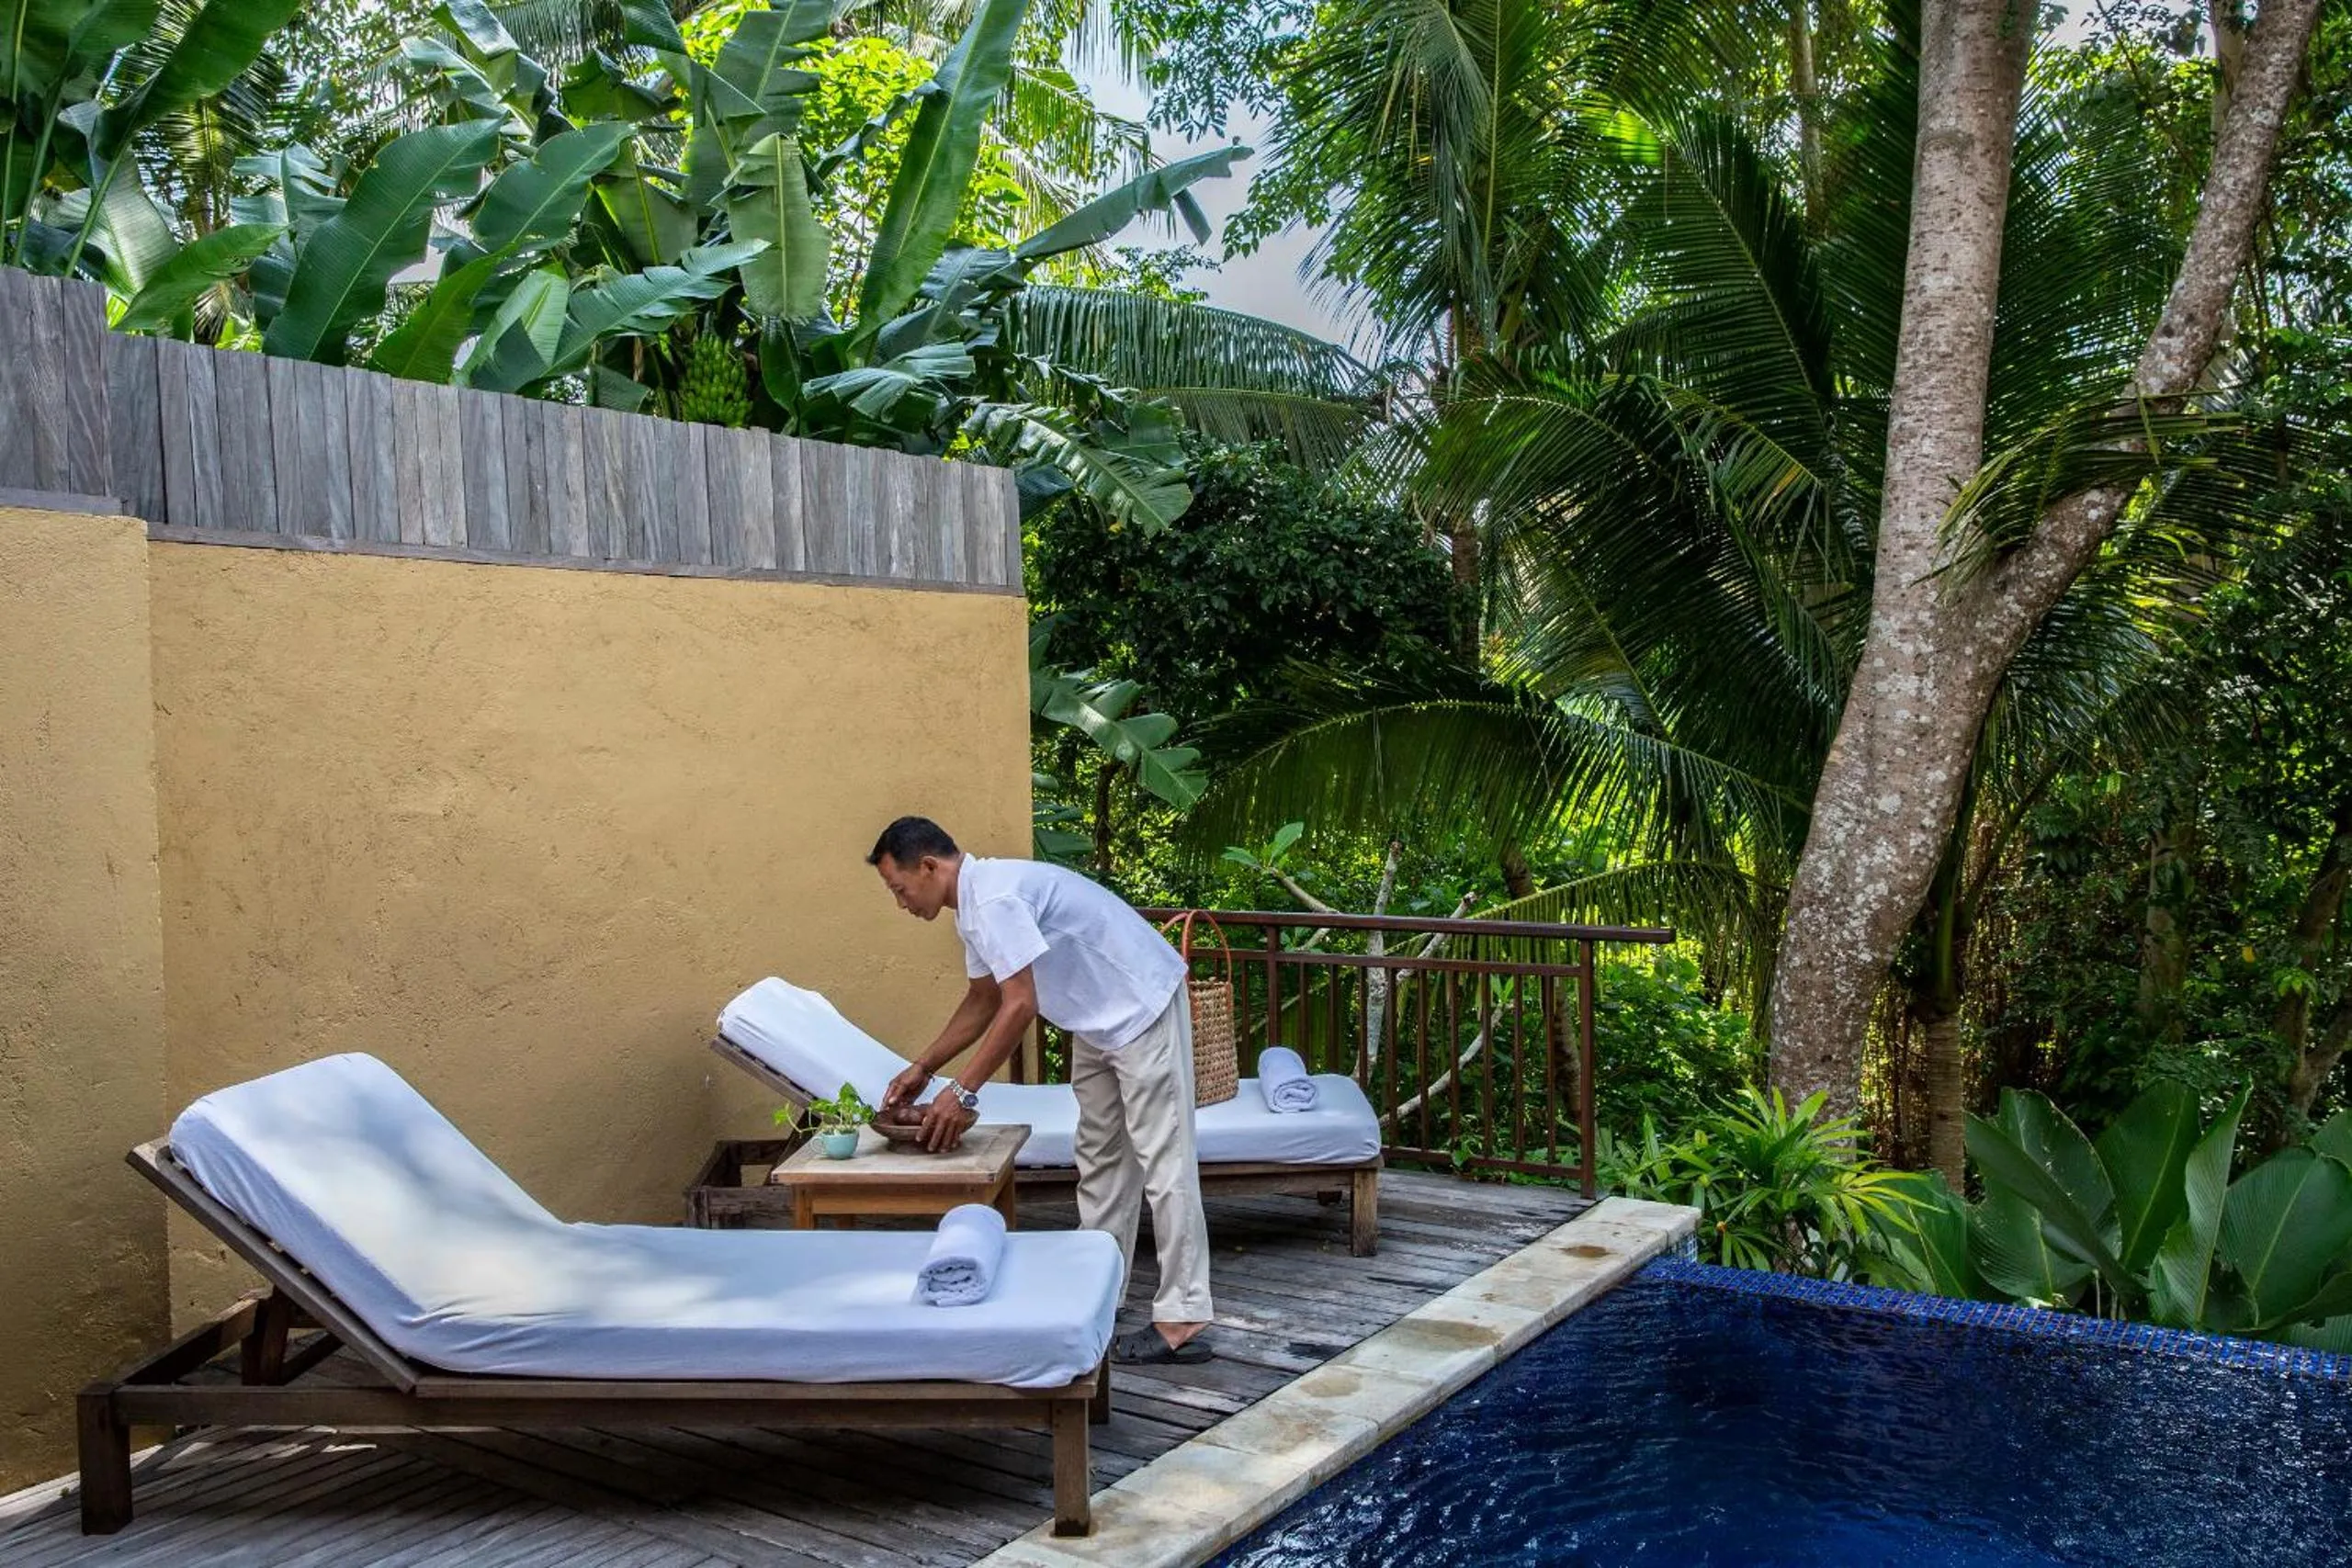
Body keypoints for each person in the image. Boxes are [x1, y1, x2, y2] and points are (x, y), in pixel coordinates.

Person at [870, 816, 1215, 1364]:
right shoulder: (975, 909)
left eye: (899, 887)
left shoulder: (995, 898)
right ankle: (1099, 1289)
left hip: (1141, 1006)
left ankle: (1183, 1315)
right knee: (1101, 1160)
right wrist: (923, 1068)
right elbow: (984, 1000)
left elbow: (1020, 1004)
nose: (901, 902)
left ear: (929, 867)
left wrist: (962, 1092)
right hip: (1097, 1022)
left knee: (1164, 1162)